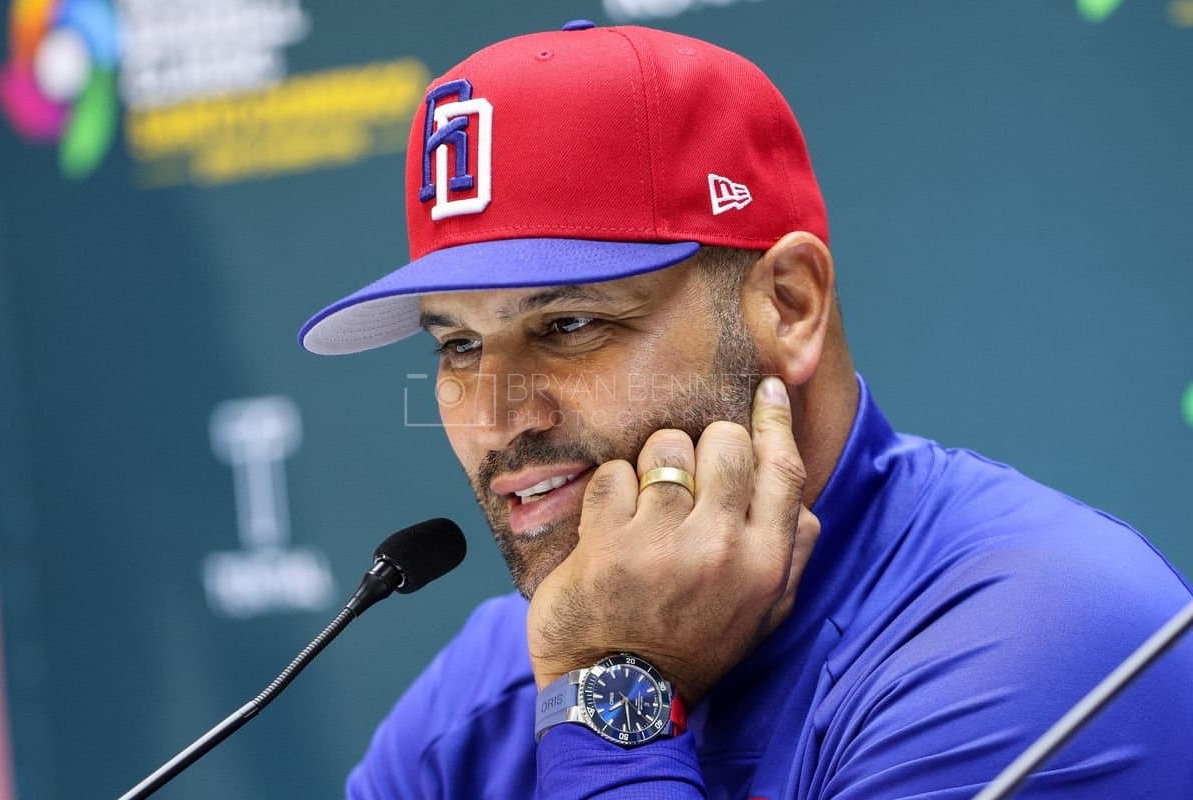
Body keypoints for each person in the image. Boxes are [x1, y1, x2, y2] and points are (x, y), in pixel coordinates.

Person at [299, 21, 1193, 800]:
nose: (496, 417)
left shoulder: (1042, 638)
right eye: (458, 344)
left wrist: (608, 692)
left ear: (789, 306)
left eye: (568, 324)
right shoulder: (486, 688)